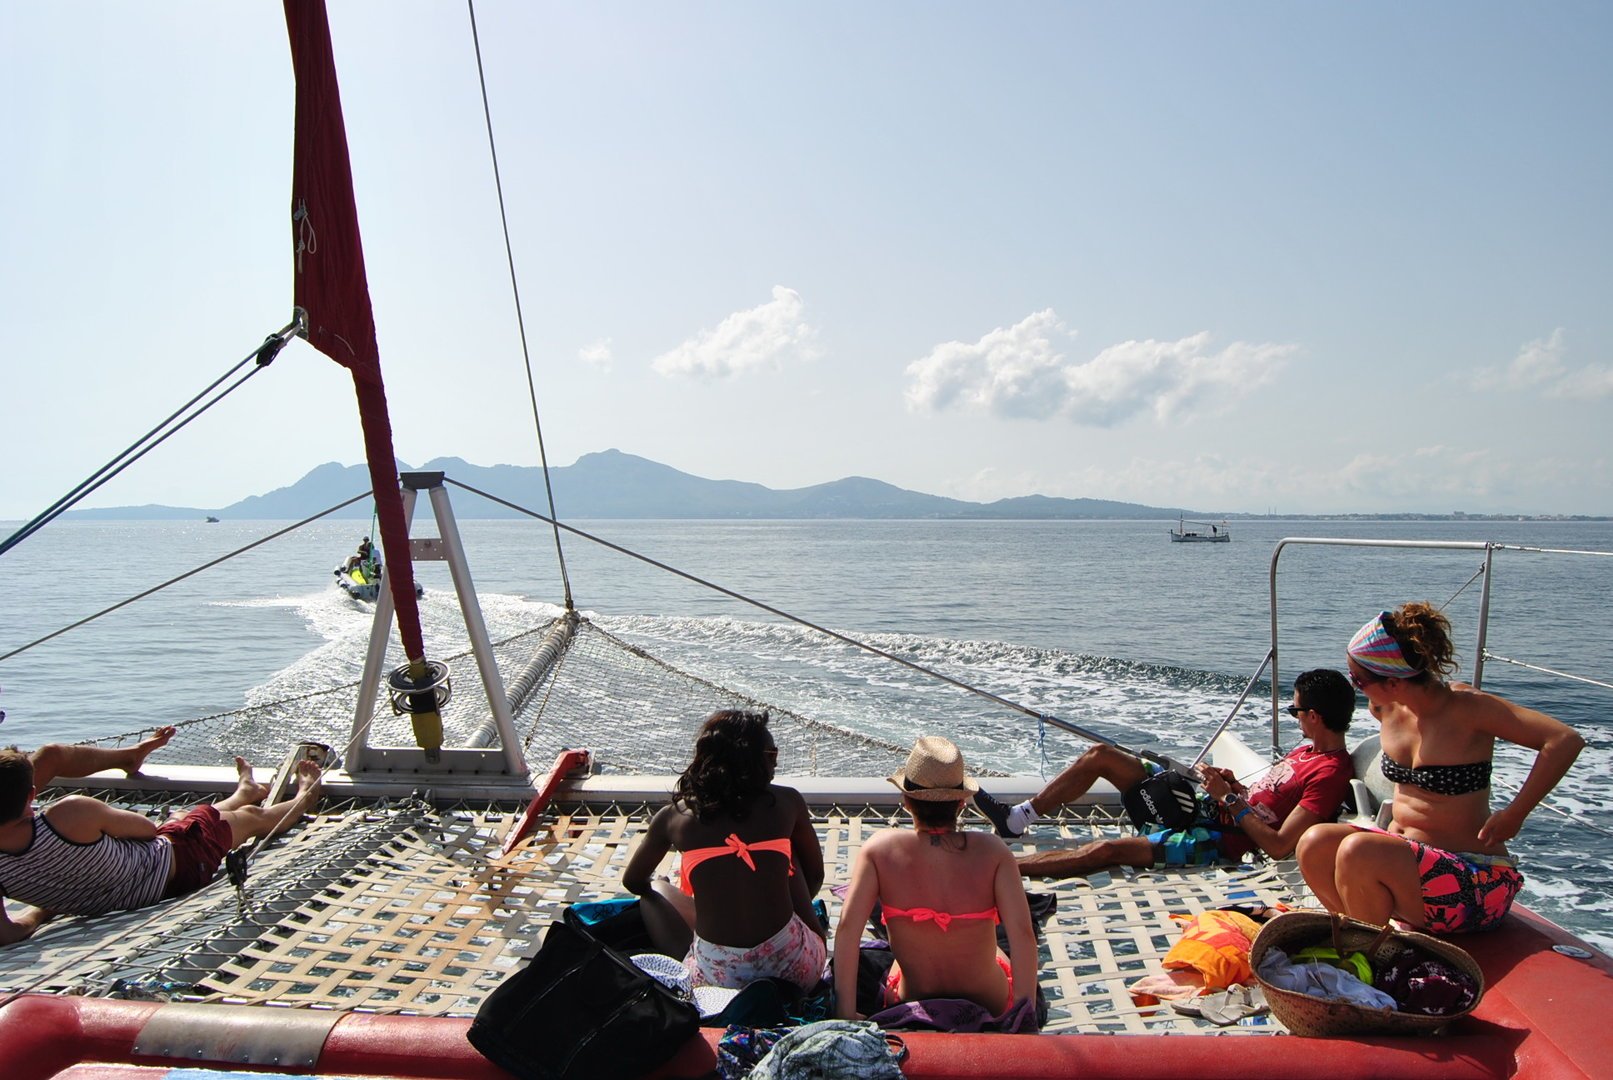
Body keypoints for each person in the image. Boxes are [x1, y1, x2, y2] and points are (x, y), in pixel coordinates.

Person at [1297, 604, 1584, 934]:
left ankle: (1369, 951)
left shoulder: (1469, 709)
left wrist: (1515, 814)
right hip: (1410, 870)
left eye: (1358, 680)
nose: (1354, 687)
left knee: (1358, 850)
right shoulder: (1385, 708)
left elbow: (1563, 741)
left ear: (1393, 682)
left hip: (1475, 879)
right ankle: (1357, 936)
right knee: (1314, 843)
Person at [987, 669, 1357, 878]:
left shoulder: (1329, 773)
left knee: (1107, 850)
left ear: (1314, 716)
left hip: (1218, 840)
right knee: (1102, 756)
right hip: (1206, 807)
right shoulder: (1306, 750)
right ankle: (1017, 819)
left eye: (1295, 712)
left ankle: (996, 870)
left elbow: (1278, 846)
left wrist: (1228, 798)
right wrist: (1234, 787)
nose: (1294, 718)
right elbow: (1268, 802)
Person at [0, 741, 323, 946]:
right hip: (179, 866)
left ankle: (243, 792)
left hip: (110, 893)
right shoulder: (70, 813)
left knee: (187, 819)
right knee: (250, 818)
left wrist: (40, 913)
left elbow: (7, 933)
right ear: (32, 795)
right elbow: (147, 831)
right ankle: (305, 795)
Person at [833, 736, 1037, 1019]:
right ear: (961, 803)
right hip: (989, 1002)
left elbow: (847, 930)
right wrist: (1023, 1020)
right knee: (998, 947)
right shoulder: (993, 851)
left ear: (906, 801)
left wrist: (846, 1013)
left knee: (889, 958)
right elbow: (1023, 935)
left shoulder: (879, 850)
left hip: (914, 1000)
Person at [622, 709, 827, 992]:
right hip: (795, 970)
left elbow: (633, 881)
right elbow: (815, 875)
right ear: (750, 760)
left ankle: (689, 961)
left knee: (655, 888)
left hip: (719, 981)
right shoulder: (787, 803)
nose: (776, 762)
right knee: (786, 854)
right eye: (771, 754)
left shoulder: (673, 818)